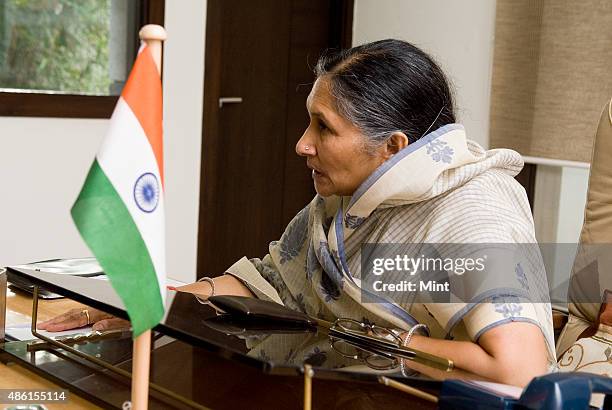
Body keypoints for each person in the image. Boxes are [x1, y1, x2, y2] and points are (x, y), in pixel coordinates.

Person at [39, 39, 555, 386]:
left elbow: (517, 371)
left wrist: (378, 342)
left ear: (393, 148)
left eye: (323, 128)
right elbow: (263, 289)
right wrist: (138, 309)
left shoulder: (473, 211)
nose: (301, 145)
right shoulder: (344, 202)